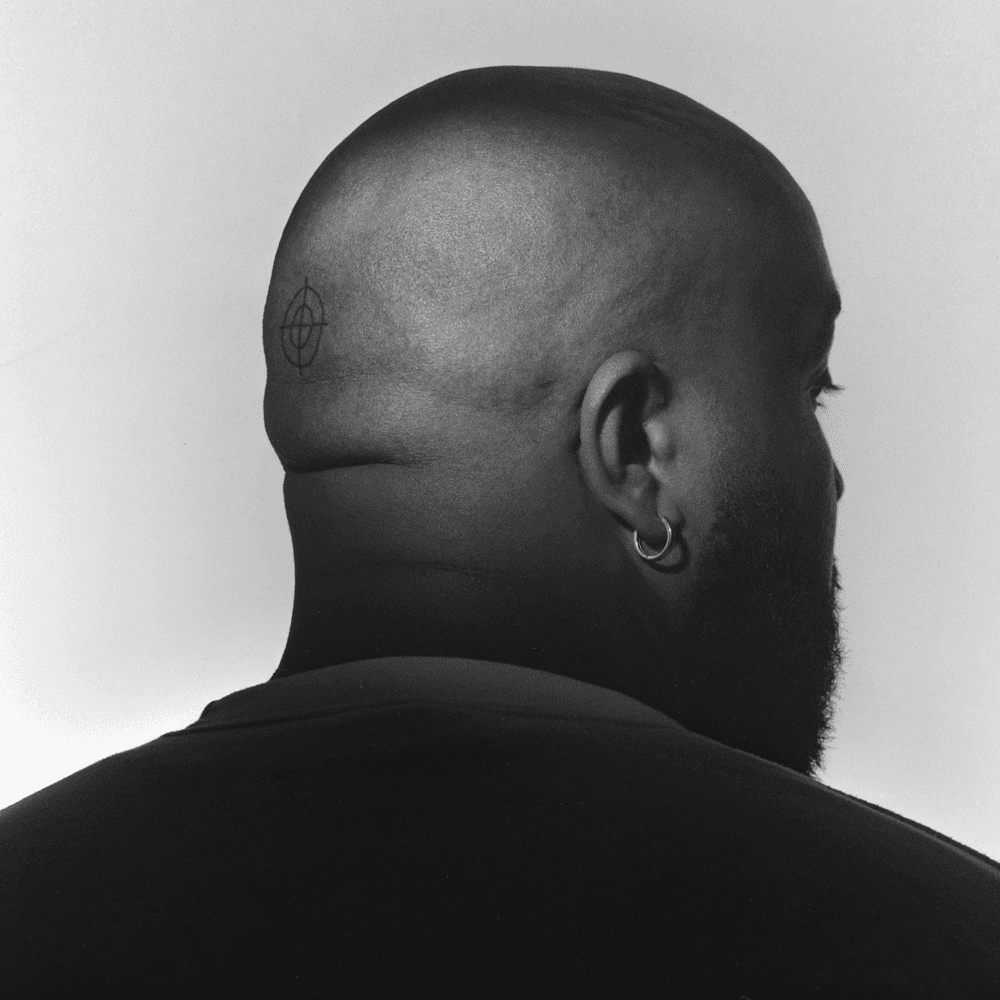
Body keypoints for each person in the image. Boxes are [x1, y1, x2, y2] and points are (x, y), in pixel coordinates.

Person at [2, 66, 998, 996]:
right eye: (809, 389)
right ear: (637, 451)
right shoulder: (938, 942)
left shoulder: (35, 904)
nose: (832, 475)